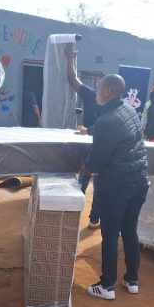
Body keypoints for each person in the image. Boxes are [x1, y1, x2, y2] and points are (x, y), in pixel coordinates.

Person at [79, 74, 149, 301]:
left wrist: (82, 170)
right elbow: (120, 135)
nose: (96, 92)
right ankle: (132, 279)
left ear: (108, 91)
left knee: (109, 236)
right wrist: (90, 131)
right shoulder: (129, 110)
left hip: (117, 186)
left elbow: (96, 161)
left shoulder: (106, 121)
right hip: (139, 181)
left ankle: (106, 285)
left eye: (99, 87)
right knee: (129, 230)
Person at [65, 45, 101, 228]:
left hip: (89, 141)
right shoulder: (111, 103)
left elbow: (73, 79)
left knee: (86, 174)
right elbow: (73, 79)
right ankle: (94, 219)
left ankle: (73, 216)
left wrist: (70, 58)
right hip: (101, 144)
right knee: (98, 180)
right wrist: (70, 58)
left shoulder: (91, 94)